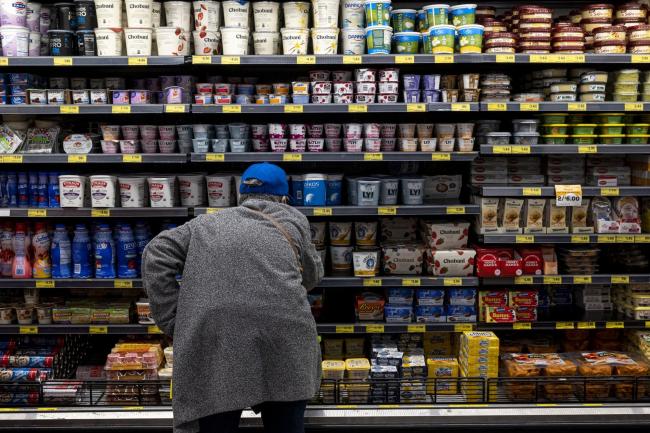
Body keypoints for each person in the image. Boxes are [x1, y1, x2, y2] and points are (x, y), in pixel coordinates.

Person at [142, 162, 324, 433]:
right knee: (286, 424)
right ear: (284, 198)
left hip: (218, 341)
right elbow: (312, 276)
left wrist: (174, 319)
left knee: (217, 421)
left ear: (241, 196)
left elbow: (156, 253)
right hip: (285, 340)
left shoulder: (205, 223)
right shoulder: (292, 220)